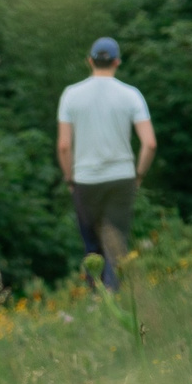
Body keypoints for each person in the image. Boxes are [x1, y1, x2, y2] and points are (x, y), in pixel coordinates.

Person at [56, 36, 156, 290]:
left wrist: (70, 179)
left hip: (85, 179)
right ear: (117, 62)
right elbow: (150, 144)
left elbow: (64, 146)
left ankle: (98, 299)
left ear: (90, 61)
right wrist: (139, 175)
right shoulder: (131, 95)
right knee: (116, 242)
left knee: (92, 246)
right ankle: (117, 295)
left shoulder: (71, 95)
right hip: (121, 177)